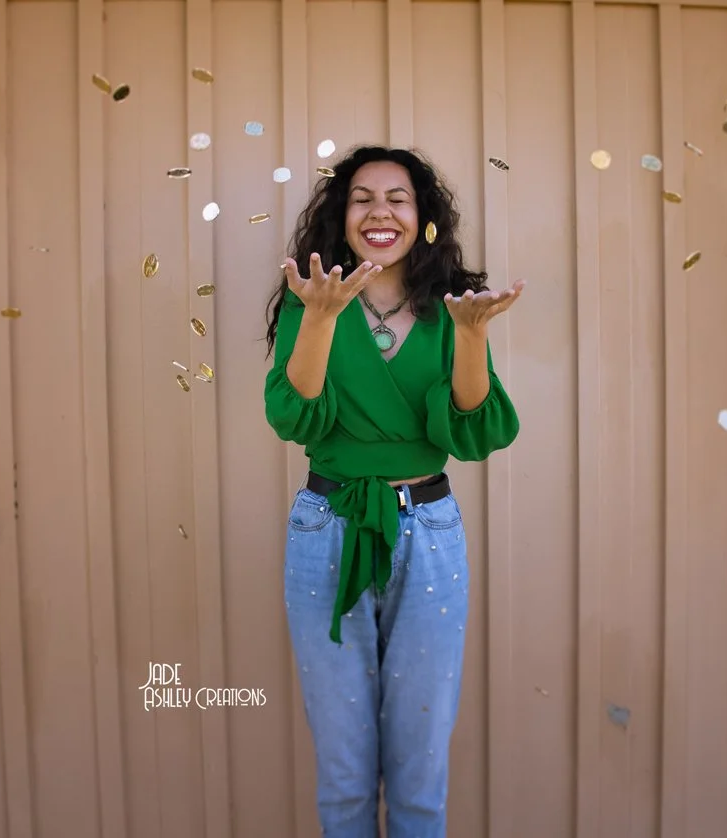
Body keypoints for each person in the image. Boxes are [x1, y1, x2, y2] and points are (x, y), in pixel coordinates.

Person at [262, 145, 523, 838]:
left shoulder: (452, 305)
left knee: (419, 774)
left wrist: (471, 336)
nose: (381, 212)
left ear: (423, 216)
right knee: (345, 777)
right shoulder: (310, 296)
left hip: (429, 531)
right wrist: (318, 318)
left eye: (398, 199)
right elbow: (297, 415)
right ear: (340, 217)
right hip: (328, 527)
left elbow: (469, 429)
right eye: (363, 198)